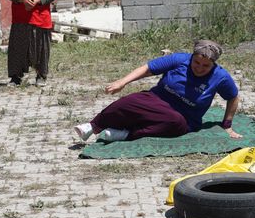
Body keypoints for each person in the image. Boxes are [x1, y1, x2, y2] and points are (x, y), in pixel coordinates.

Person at [74, 40, 242, 142]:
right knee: (130, 101)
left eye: (205, 66)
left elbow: (233, 97)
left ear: (213, 64)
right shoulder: (179, 59)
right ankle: (93, 126)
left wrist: (227, 125)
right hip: (156, 99)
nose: (199, 68)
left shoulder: (221, 77)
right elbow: (148, 68)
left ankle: (126, 135)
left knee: (173, 122)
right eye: (196, 63)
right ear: (192, 57)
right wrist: (122, 82)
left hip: (184, 117)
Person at [3, 0, 56, 87]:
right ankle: (15, 77)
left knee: (41, 49)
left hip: (40, 18)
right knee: (17, 49)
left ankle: (41, 76)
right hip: (21, 19)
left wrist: (38, 1)